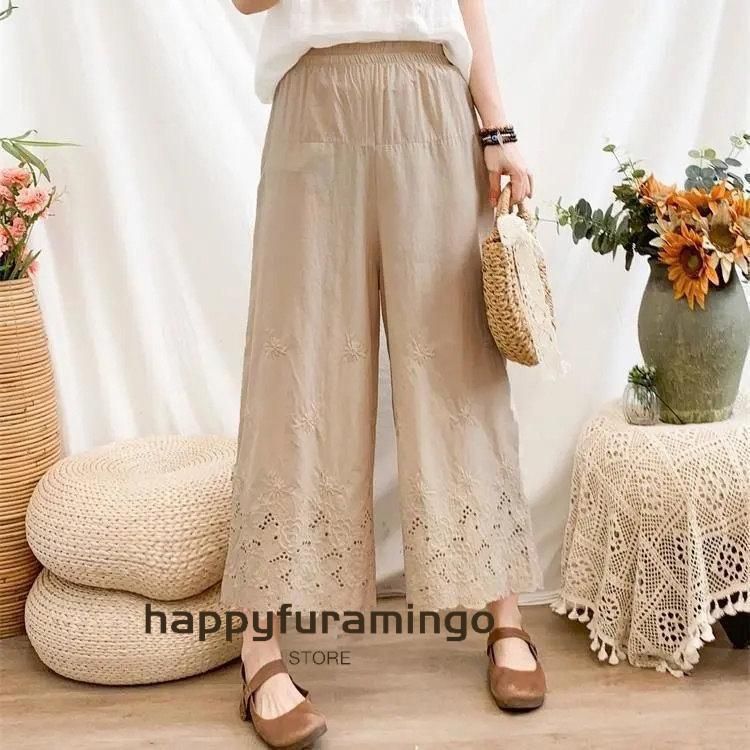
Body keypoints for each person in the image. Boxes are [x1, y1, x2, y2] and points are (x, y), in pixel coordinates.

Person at [222, 1, 545, 746]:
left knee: (460, 363)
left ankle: (504, 613)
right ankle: (259, 648)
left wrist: (496, 125)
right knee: (293, 366)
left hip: (432, 95)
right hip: (315, 98)